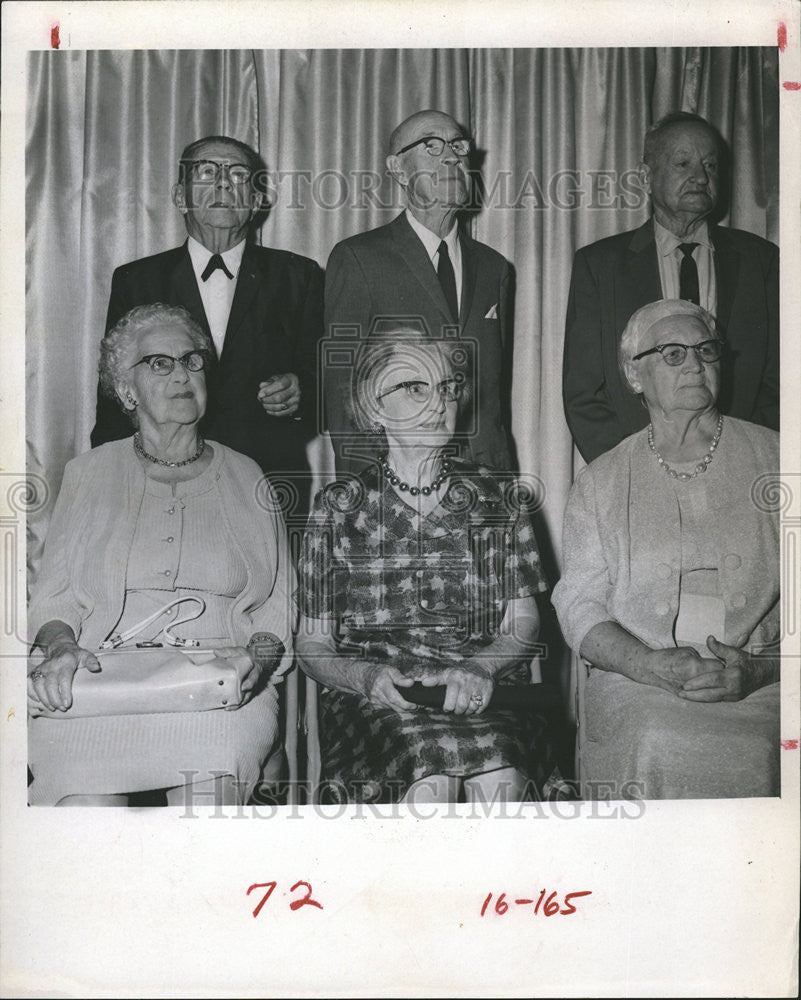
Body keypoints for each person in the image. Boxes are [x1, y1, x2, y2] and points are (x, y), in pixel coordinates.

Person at [27, 303, 295, 806]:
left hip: (220, 686)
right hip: (102, 679)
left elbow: (278, 607)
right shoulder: (88, 473)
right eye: (159, 363)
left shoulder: (248, 475)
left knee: (207, 803)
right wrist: (62, 648)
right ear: (126, 390)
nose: (181, 374)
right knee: (78, 803)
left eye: (192, 361)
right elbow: (54, 599)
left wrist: (253, 662)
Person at [296, 329, 555, 804]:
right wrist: (364, 679)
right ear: (373, 408)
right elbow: (311, 643)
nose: (439, 402)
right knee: (428, 780)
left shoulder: (498, 497)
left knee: (502, 779)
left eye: (447, 387)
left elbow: (524, 624)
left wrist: (480, 668)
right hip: (377, 699)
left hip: (482, 688)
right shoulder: (338, 508)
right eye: (415, 387)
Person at [552, 299, 780, 799]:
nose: (696, 364)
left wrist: (765, 669)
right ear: (635, 376)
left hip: (769, 681)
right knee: (656, 739)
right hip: (641, 683)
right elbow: (579, 606)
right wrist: (648, 665)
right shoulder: (601, 481)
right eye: (673, 354)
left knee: (773, 748)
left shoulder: (781, 459)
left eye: (705, 350)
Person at [90, 134, 324, 515]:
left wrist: (302, 392)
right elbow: (115, 395)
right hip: (160, 479)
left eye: (237, 173)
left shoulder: (299, 276)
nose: (223, 183)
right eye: (206, 172)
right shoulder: (137, 280)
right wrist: (109, 480)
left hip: (268, 482)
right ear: (180, 196)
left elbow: (327, 380)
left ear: (257, 199)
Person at [563, 111, 779, 463]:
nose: (699, 177)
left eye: (710, 165)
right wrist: (633, 471)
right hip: (637, 476)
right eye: (683, 163)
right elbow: (584, 394)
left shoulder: (762, 260)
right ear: (645, 178)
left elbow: (782, 382)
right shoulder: (600, 265)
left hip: (742, 470)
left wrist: (744, 459)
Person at [324, 109, 514, 474]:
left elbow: (492, 393)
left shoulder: (495, 268)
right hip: (397, 480)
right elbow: (342, 390)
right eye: (431, 146)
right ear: (397, 169)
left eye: (459, 146)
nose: (451, 156)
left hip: (484, 477)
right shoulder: (359, 258)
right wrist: (363, 488)